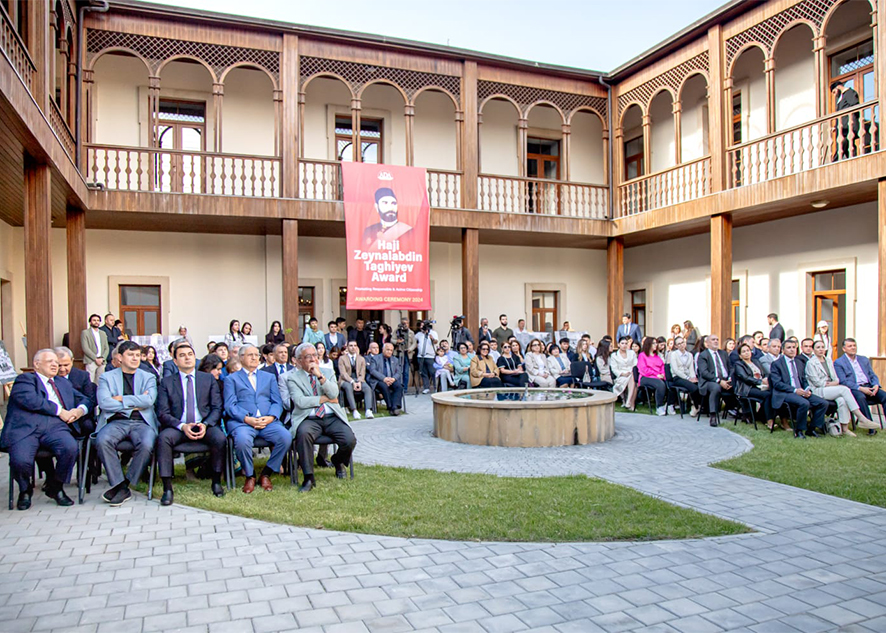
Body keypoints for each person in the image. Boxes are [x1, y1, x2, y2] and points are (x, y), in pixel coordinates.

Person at [0, 349, 87, 510]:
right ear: (37, 364)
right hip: (26, 428)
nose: (55, 365)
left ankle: (56, 486)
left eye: (56, 362)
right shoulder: (25, 380)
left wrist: (79, 410)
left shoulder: (62, 382)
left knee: (70, 448)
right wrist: (60, 411)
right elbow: (32, 400)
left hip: (54, 427)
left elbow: (83, 398)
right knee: (20, 461)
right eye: (50, 362)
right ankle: (25, 490)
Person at [155, 343, 226, 505]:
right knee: (163, 439)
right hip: (178, 427)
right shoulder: (167, 382)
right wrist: (182, 426)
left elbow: (217, 407)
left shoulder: (207, 379)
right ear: (175, 361)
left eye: (190, 354)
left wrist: (206, 424)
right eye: (182, 355)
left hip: (204, 425)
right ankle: (167, 488)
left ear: (195, 358)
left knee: (220, 438)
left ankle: (216, 481)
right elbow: (162, 413)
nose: (187, 358)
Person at [280, 343, 356, 492]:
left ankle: (337, 460)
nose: (313, 359)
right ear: (299, 360)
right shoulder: (293, 378)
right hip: (308, 418)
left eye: (315, 355)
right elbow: (300, 402)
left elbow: (334, 394)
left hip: (331, 416)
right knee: (303, 435)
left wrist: (319, 376)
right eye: (308, 357)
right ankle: (309, 478)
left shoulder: (327, 372)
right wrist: (323, 399)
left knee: (349, 440)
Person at [95, 341, 159, 506]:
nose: (135, 358)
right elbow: (104, 403)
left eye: (138, 355)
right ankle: (119, 483)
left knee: (146, 444)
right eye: (131, 355)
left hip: (142, 421)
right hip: (116, 420)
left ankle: (125, 485)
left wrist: (121, 399)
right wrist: (136, 402)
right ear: (119, 357)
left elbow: (149, 400)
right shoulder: (106, 377)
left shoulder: (149, 376)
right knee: (102, 440)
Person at [224, 345, 290, 493]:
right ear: (241, 358)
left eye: (256, 355)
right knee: (241, 441)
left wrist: (271, 417)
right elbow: (230, 405)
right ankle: (250, 475)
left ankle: (266, 473)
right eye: (250, 355)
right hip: (244, 423)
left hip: (268, 421)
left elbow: (277, 401)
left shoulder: (269, 377)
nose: (254, 358)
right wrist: (247, 419)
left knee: (285, 437)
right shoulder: (231, 379)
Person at [806, 340, 878, 437]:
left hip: (831, 388)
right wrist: (833, 383)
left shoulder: (828, 360)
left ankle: (845, 429)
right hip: (818, 390)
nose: (821, 349)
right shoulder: (811, 363)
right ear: (813, 350)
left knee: (842, 400)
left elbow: (836, 379)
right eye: (818, 347)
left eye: (822, 347)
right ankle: (861, 417)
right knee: (844, 389)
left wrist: (833, 383)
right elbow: (817, 383)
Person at [770, 339, 829, 439]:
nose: (792, 350)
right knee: (804, 403)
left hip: (801, 391)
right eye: (789, 348)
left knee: (823, 403)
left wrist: (807, 389)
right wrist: (794, 390)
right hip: (785, 392)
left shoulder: (799, 362)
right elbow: (777, 384)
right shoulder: (777, 364)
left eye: (794, 347)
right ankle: (799, 430)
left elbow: (803, 379)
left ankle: (812, 429)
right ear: (783, 350)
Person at [834, 338, 886, 423]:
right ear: (844, 349)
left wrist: (876, 385)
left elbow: (872, 374)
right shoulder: (839, 362)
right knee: (861, 397)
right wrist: (861, 389)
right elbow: (843, 381)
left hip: (869, 386)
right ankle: (869, 425)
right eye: (850, 346)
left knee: (884, 396)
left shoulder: (864, 359)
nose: (853, 348)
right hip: (855, 389)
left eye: (854, 345)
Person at [732, 342, 775, 430]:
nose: (747, 353)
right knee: (767, 395)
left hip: (761, 386)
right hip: (747, 388)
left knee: (773, 393)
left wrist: (766, 379)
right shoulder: (738, 364)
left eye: (748, 350)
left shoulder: (756, 361)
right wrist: (760, 382)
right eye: (743, 351)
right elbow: (745, 378)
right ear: (740, 355)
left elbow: (763, 373)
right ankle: (769, 420)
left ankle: (761, 415)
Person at [697, 334, 733, 426]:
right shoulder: (703, 355)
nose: (716, 341)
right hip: (709, 381)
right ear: (707, 343)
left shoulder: (723, 353)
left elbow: (730, 368)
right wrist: (719, 381)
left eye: (717, 339)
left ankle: (744, 413)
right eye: (713, 340)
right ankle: (713, 415)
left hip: (725, 379)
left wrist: (729, 378)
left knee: (740, 384)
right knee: (716, 388)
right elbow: (704, 373)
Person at [338, 340, 376, 419]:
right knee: (348, 387)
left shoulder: (361, 359)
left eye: (355, 346)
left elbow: (362, 372)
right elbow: (343, 373)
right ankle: (354, 410)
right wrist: (352, 382)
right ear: (347, 347)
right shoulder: (342, 358)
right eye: (351, 346)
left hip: (358, 379)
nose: (353, 348)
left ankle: (368, 410)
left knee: (367, 388)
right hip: (346, 380)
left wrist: (359, 381)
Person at [667, 336, 701, 417]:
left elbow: (691, 369)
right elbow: (675, 370)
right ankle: (696, 406)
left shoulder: (689, 355)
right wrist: (688, 378)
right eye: (679, 344)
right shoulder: (673, 354)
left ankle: (697, 406)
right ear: (676, 346)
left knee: (699, 385)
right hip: (678, 377)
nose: (681, 345)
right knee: (693, 388)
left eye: (682, 342)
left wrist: (693, 378)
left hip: (688, 377)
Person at [368, 343, 405, 415]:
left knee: (399, 386)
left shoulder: (395, 360)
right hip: (379, 380)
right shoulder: (375, 358)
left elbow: (399, 371)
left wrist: (393, 379)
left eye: (391, 350)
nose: (389, 352)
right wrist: (384, 378)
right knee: (384, 386)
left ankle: (394, 406)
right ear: (383, 349)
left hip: (391, 379)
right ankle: (391, 407)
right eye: (388, 350)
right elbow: (372, 371)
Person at [637, 337, 668, 416]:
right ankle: (659, 407)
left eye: (656, 343)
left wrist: (662, 374)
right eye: (653, 343)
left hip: (658, 377)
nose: (656, 345)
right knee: (660, 384)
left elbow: (662, 367)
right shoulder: (642, 355)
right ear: (648, 345)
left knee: (669, 383)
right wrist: (656, 374)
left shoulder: (657, 356)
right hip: (646, 377)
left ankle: (669, 404)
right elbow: (643, 369)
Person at [831, 79, 860, 160]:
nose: (835, 95)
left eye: (834, 92)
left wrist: (854, 121)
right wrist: (835, 126)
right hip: (843, 127)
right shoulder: (842, 98)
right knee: (848, 147)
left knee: (844, 144)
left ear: (838, 87)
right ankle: (852, 160)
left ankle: (835, 161)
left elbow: (855, 106)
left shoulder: (849, 93)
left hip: (848, 126)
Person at [609, 336, 638, 410]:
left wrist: (630, 371)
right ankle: (629, 403)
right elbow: (614, 369)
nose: (624, 345)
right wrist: (622, 374)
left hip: (631, 372)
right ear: (618, 344)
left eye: (626, 343)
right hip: (621, 375)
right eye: (622, 343)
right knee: (631, 379)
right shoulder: (614, 355)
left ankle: (628, 401)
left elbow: (635, 364)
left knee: (632, 377)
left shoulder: (631, 353)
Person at [81, 313, 109, 383]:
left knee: (100, 381)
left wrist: (102, 358)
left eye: (98, 320)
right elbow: (85, 348)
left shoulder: (103, 333)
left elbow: (106, 348)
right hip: (91, 361)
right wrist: (95, 358)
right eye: (94, 320)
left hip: (102, 361)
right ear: (90, 322)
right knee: (90, 381)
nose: (96, 322)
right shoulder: (85, 333)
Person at [414, 322, 438, 394]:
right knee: (423, 372)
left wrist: (432, 338)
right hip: (420, 356)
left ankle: (435, 387)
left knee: (432, 372)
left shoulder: (433, 333)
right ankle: (426, 387)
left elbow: (436, 342)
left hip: (430, 355)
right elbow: (414, 341)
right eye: (421, 326)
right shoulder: (418, 334)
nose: (422, 327)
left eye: (423, 326)